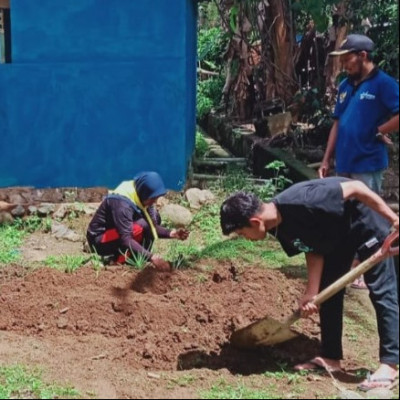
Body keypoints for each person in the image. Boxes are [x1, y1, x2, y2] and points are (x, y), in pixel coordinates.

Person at [220, 177, 399, 391]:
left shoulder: (303, 201)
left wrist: (394, 219)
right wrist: (311, 292)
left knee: (381, 290)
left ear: (255, 222)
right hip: (337, 237)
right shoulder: (279, 227)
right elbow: (312, 248)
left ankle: (389, 364)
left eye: (242, 233)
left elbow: (357, 188)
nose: (245, 238)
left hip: (364, 222)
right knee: (329, 293)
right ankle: (331, 358)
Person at [319, 34, 399, 289]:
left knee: (369, 218)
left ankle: (368, 271)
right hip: (345, 163)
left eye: (347, 58)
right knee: (346, 216)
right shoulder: (345, 85)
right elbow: (337, 123)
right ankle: (348, 265)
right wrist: (326, 158)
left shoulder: (383, 84)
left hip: (367, 163)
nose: (343, 64)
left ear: (363, 56)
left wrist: (380, 130)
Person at [87, 171, 189, 271]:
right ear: (145, 194)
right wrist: (152, 257)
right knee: (140, 226)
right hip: (99, 239)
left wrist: (172, 233)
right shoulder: (122, 204)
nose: (155, 202)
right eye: (153, 198)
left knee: (154, 218)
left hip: (117, 232)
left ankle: (135, 258)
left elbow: (151, 227)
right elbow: (126, 239)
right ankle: (118, 260)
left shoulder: (140, 194)